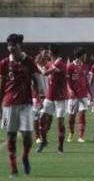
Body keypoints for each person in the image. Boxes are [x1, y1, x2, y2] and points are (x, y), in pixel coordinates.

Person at [0, 34, 40, 178]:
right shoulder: (4, 63)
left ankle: (25, 157)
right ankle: (13, 169)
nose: (11, 47)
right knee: (10, 136)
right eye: (9, 45)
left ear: (19, 46)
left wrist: (39, 96)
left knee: (28, 137)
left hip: (26, 105)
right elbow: (1, 85)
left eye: (14, 45)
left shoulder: (28, 61)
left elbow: (36, 80)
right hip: (8, 105)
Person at [36, 44, 68, 153]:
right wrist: (39, 62)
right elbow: (42, 68)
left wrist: (37, 64)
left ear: (52, 52)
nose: (48, 53)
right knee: (41, 118)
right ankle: (44, 141)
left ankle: (60, 147)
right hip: (50, 97)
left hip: (60, 98)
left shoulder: (61, 64)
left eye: (48, 51)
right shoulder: (51, 63)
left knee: (60, 122)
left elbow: (44, 72)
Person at [66, 47, 92, 143]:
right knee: (71, 117)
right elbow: (67, 81)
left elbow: (87, 82)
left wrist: (91, 94)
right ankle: (71, 132)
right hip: (73, 96)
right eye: (85, 55)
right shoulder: (70, 66)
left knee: (82, 115)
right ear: (81, 55)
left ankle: (81, 136)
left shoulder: (85, 66)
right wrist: (69, 90)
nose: (86, 56)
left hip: (83, 95)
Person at [33, 48, 49, 144]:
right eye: (44, 56)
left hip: (46, 96)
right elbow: (34, 85)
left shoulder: (47, 67)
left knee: (45, 118)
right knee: (36, 117)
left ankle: (43, 135)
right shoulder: (35, 68)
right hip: (37, 96)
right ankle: (37, 137)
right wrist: (38, 97)